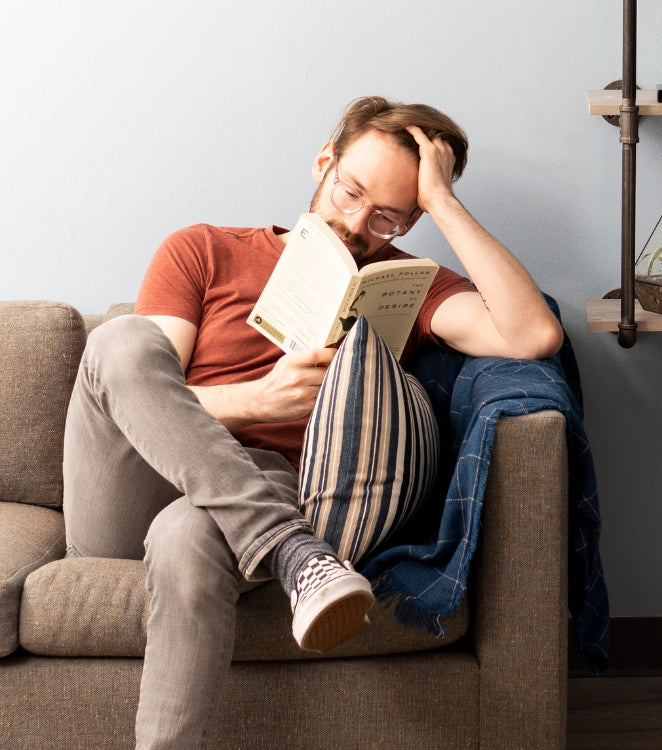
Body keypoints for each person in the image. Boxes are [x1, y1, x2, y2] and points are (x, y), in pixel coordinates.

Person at [61, 96, 563, 748]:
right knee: (119, 341)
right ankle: (299, 556)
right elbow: (139, 393)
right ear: (323, 163)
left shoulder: (405, 285)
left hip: (256, 487)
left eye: (387, 214)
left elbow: (532, 333)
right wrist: (257, 401)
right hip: (134, 482)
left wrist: (441, 200)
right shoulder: (203, 249)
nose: (356, 224)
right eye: (349, 191)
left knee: (189, 534)